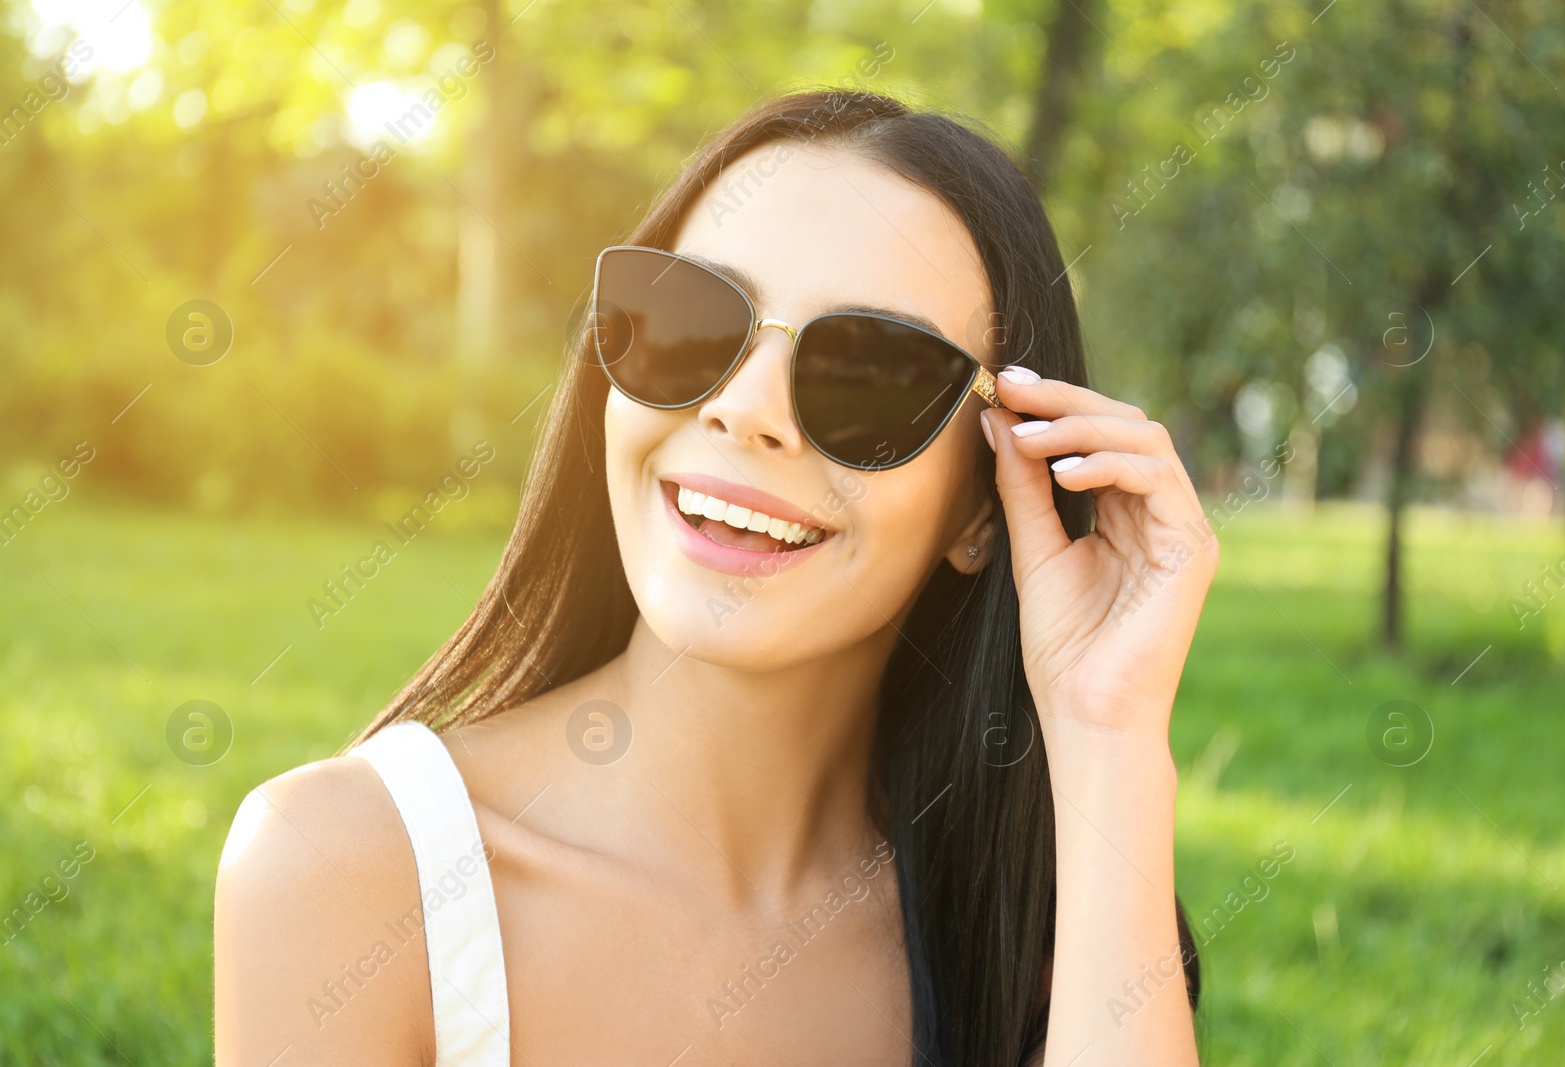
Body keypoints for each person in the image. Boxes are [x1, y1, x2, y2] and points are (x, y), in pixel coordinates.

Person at [214, 88, 1215, 1067]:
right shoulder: (345, 869)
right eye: (687, 317)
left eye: (870, 371)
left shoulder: (1033, 939)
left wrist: (1107, 738)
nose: (743, 407)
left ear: (982, 506)